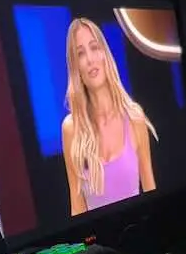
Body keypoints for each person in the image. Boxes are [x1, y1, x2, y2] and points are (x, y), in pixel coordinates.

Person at [61, 17, 157, 216]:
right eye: (80, 53)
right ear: (76, 67)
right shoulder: (71, 129)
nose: (90, 59)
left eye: (94, 47)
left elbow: (151, 192)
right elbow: (77, 206)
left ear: (104, 53)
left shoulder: (134, 117)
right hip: (98, 236)